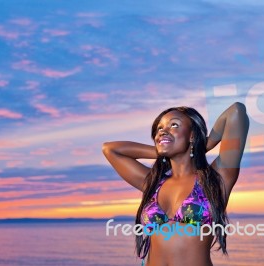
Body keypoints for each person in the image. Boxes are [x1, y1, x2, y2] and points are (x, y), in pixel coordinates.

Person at [102, 102, 249, 266]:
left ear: (192, 135)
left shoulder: (216, 179)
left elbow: (236, 112)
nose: (163, 131)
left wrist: (203, 144)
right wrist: (163, 148)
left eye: (174, 125)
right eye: (159, 128)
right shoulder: (153, 183)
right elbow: (110, 149)